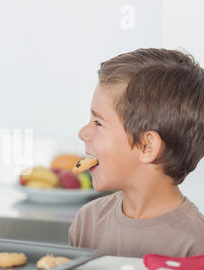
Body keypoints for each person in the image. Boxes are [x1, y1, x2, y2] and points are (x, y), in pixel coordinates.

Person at [68, 48, 204, 258]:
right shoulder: (87, 223)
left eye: (98, 122)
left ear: (146, 147)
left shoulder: (195, 244)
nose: (83, 133)